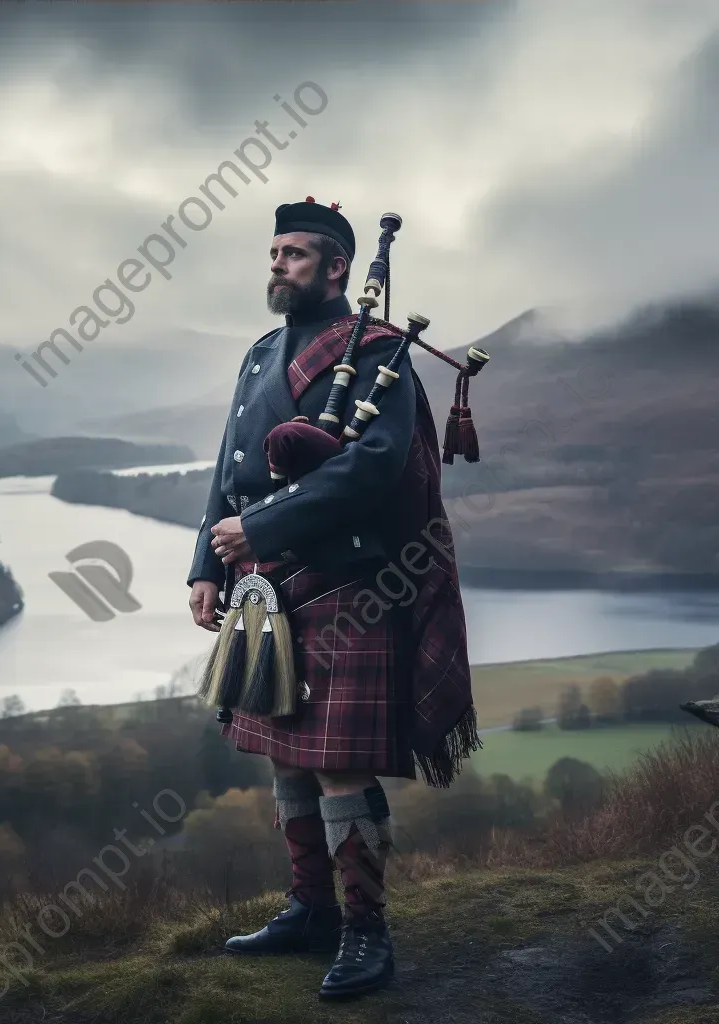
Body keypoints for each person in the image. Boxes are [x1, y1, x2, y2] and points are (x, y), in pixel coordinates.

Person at [186, 197, 479, 1000]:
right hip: (266, 584)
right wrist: (205, 566)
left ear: (338, 267)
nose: (277, 265)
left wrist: (264, 527)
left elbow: (372, 468)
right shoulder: (259, 355)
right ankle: (309, 909)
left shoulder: (380, 352)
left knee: (339, 765)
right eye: (273, 252)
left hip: (347, 583)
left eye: (294, 255)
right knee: (287, 755)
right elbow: (229, 467)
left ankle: (365, 932)